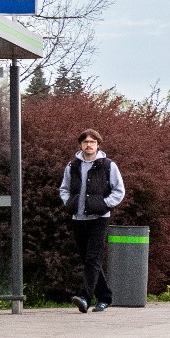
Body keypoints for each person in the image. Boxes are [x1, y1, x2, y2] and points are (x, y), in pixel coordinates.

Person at [57, 127, 125, 313]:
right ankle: (105, 297)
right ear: (81, 144)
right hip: (78, 218)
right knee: (88, 260)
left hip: (99, 218)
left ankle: (84, 297)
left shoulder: (108, 165)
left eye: (92, 142)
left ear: (98, 145)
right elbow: (64, 188)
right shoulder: (72, 166)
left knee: (93, 258)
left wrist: (104, 204)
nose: (89, 145)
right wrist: (68, 202)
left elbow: (119, 190)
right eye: (86, 142)